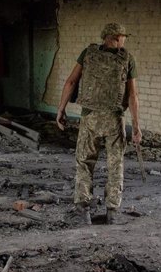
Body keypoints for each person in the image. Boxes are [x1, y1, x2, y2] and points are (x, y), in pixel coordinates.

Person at [56, 23, 142, 225]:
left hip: (90, 117)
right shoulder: (127, 58)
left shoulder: (88, 53)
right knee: (115, 165)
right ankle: (112, 211)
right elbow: (133, 95)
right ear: (115, 37)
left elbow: (70, 82)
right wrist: (136, 126)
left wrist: (61, 109)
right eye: (123, 36)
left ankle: (83, 209)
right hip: (114, 118)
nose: (125, 40)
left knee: (85, 163)